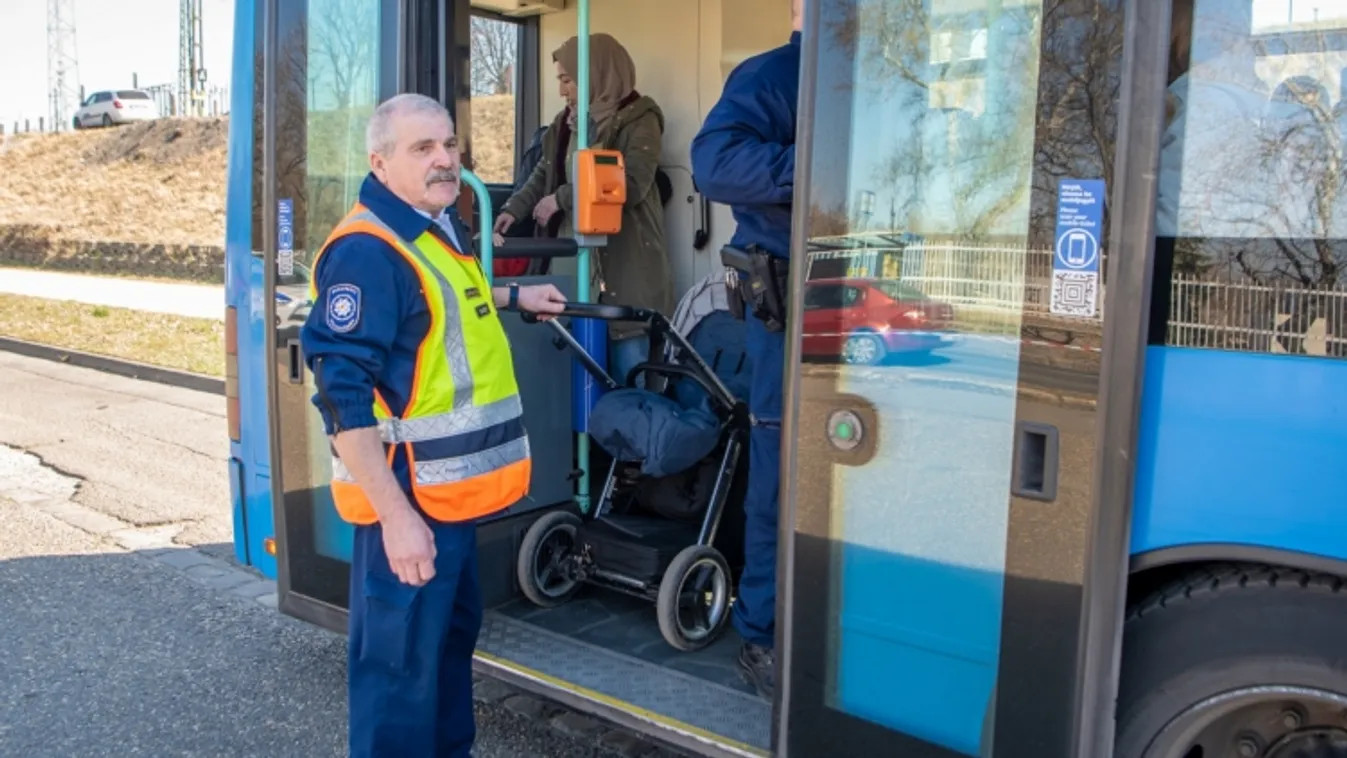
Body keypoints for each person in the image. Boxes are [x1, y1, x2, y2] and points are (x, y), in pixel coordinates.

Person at [299, 92, 567, 758]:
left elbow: (432, 309)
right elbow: (342, 399)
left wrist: (512, 294)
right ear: (380, 162)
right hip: (409, 505)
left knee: (443, 658)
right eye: (423, 149)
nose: (445, 160)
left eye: (449, 145)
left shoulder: (433, 225)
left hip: (448, 504)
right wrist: (396, 519)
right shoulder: (367, 251)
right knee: (397, 681)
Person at [688, 0, 802, 700]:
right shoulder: (772, 76)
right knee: (780, 464)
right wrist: (824, 164)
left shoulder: (887, 80)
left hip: (863, 308)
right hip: (786, 314)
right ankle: (763, 634)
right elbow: (716, 164)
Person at [493, 32, 671, 383]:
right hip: (573, 260)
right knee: (577, 378)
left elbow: (628, 185)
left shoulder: (639, 119)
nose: (562, 90)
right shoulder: (566, 122)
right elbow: (546, 170)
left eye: (567, 80)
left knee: (629, 375)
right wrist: (514, 209)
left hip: (624, 266)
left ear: (596, 74)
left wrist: (560, 198)